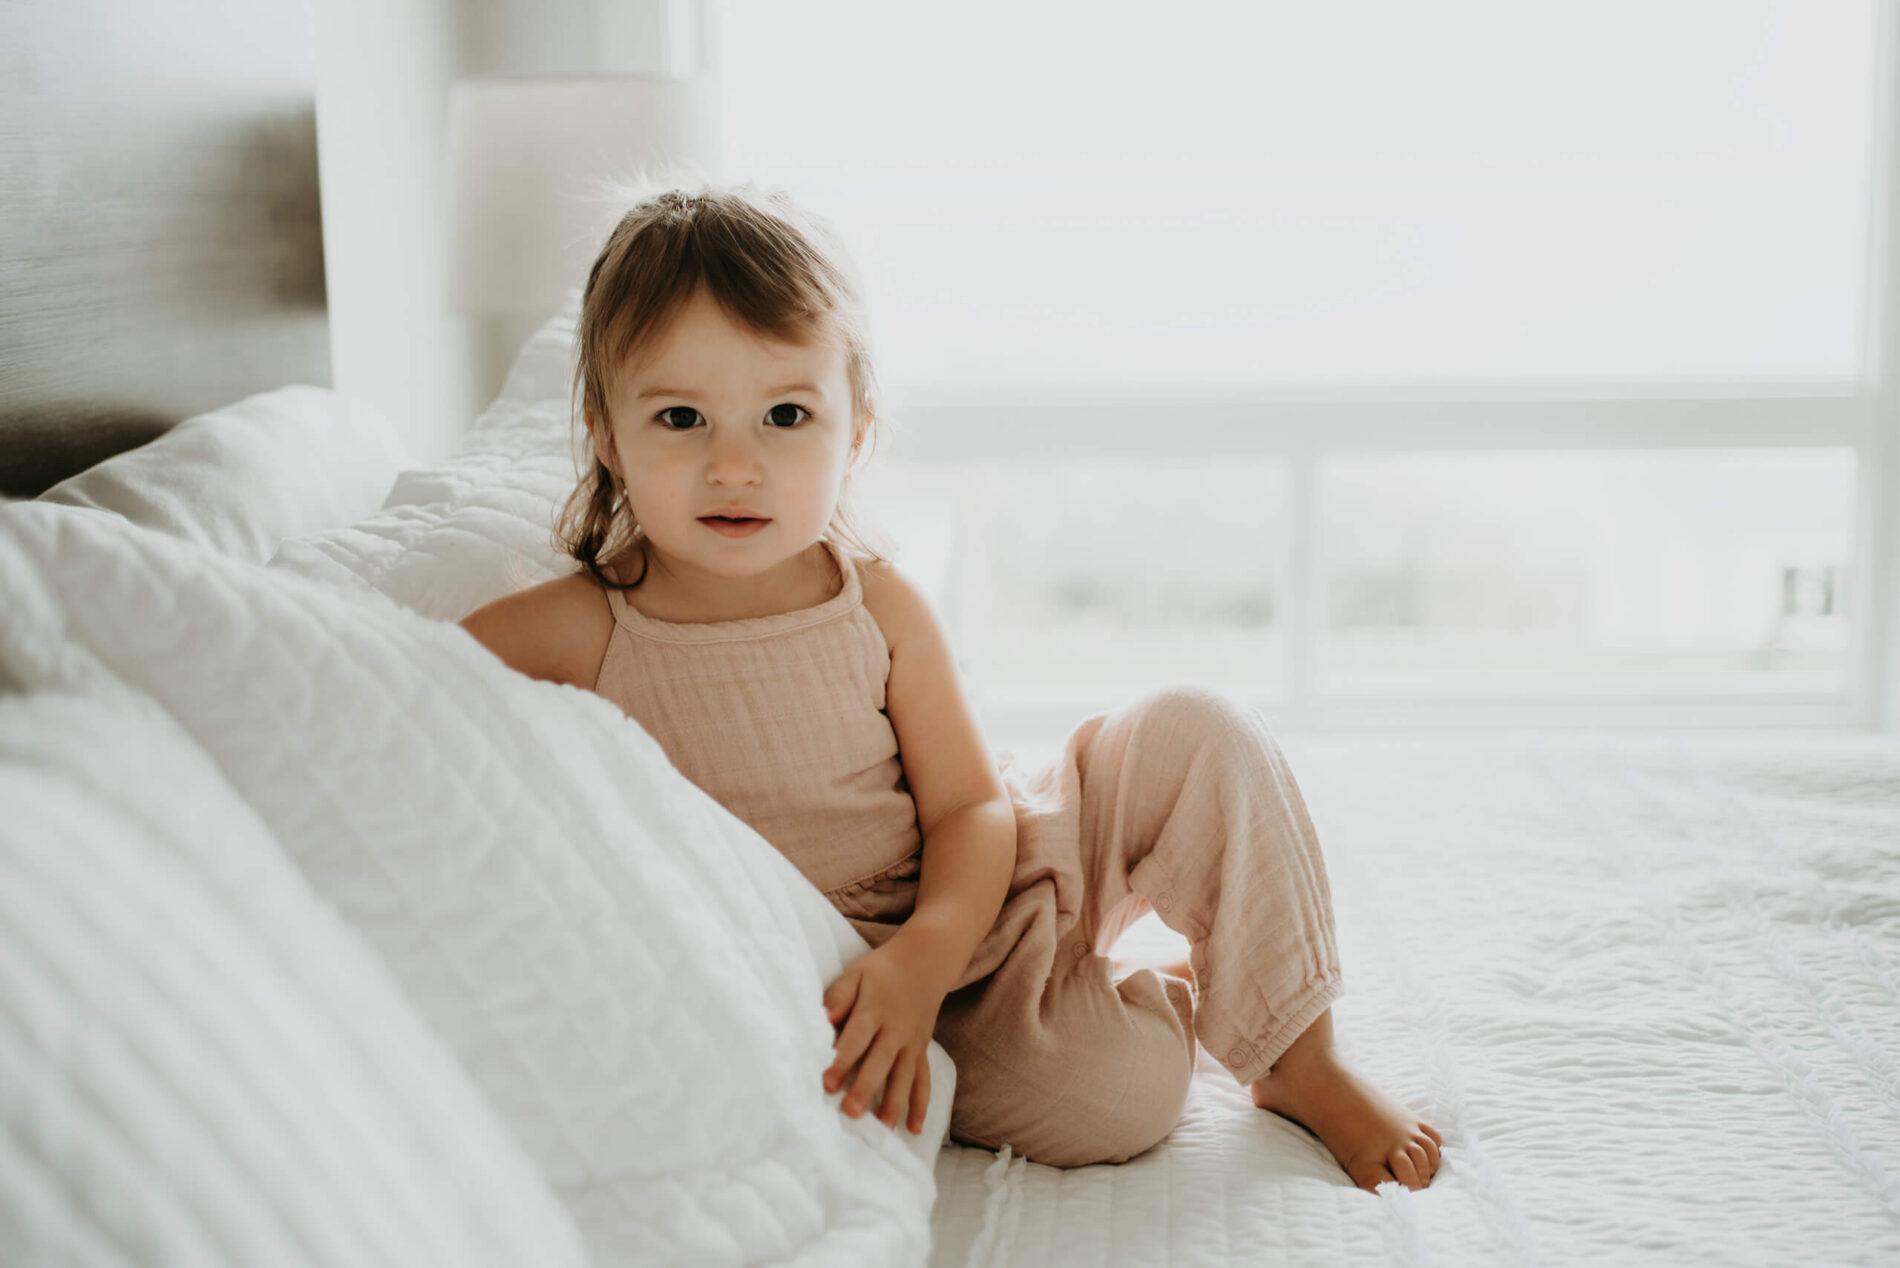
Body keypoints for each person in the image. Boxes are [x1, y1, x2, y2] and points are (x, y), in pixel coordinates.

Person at [459, 181, 1442, 1190]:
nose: (736, 464)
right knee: (1123, 1099)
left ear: (854, 433)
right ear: (607, 435)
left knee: (1203, 728)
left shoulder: (876, 605)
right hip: (872, 991)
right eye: (681, 417)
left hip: (983, 888)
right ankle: (1177, 999)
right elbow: (380, 681)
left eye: (785, 413)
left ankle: (1299, 1053)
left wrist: (931, 946)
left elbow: (972, 805)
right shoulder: (583, 626)